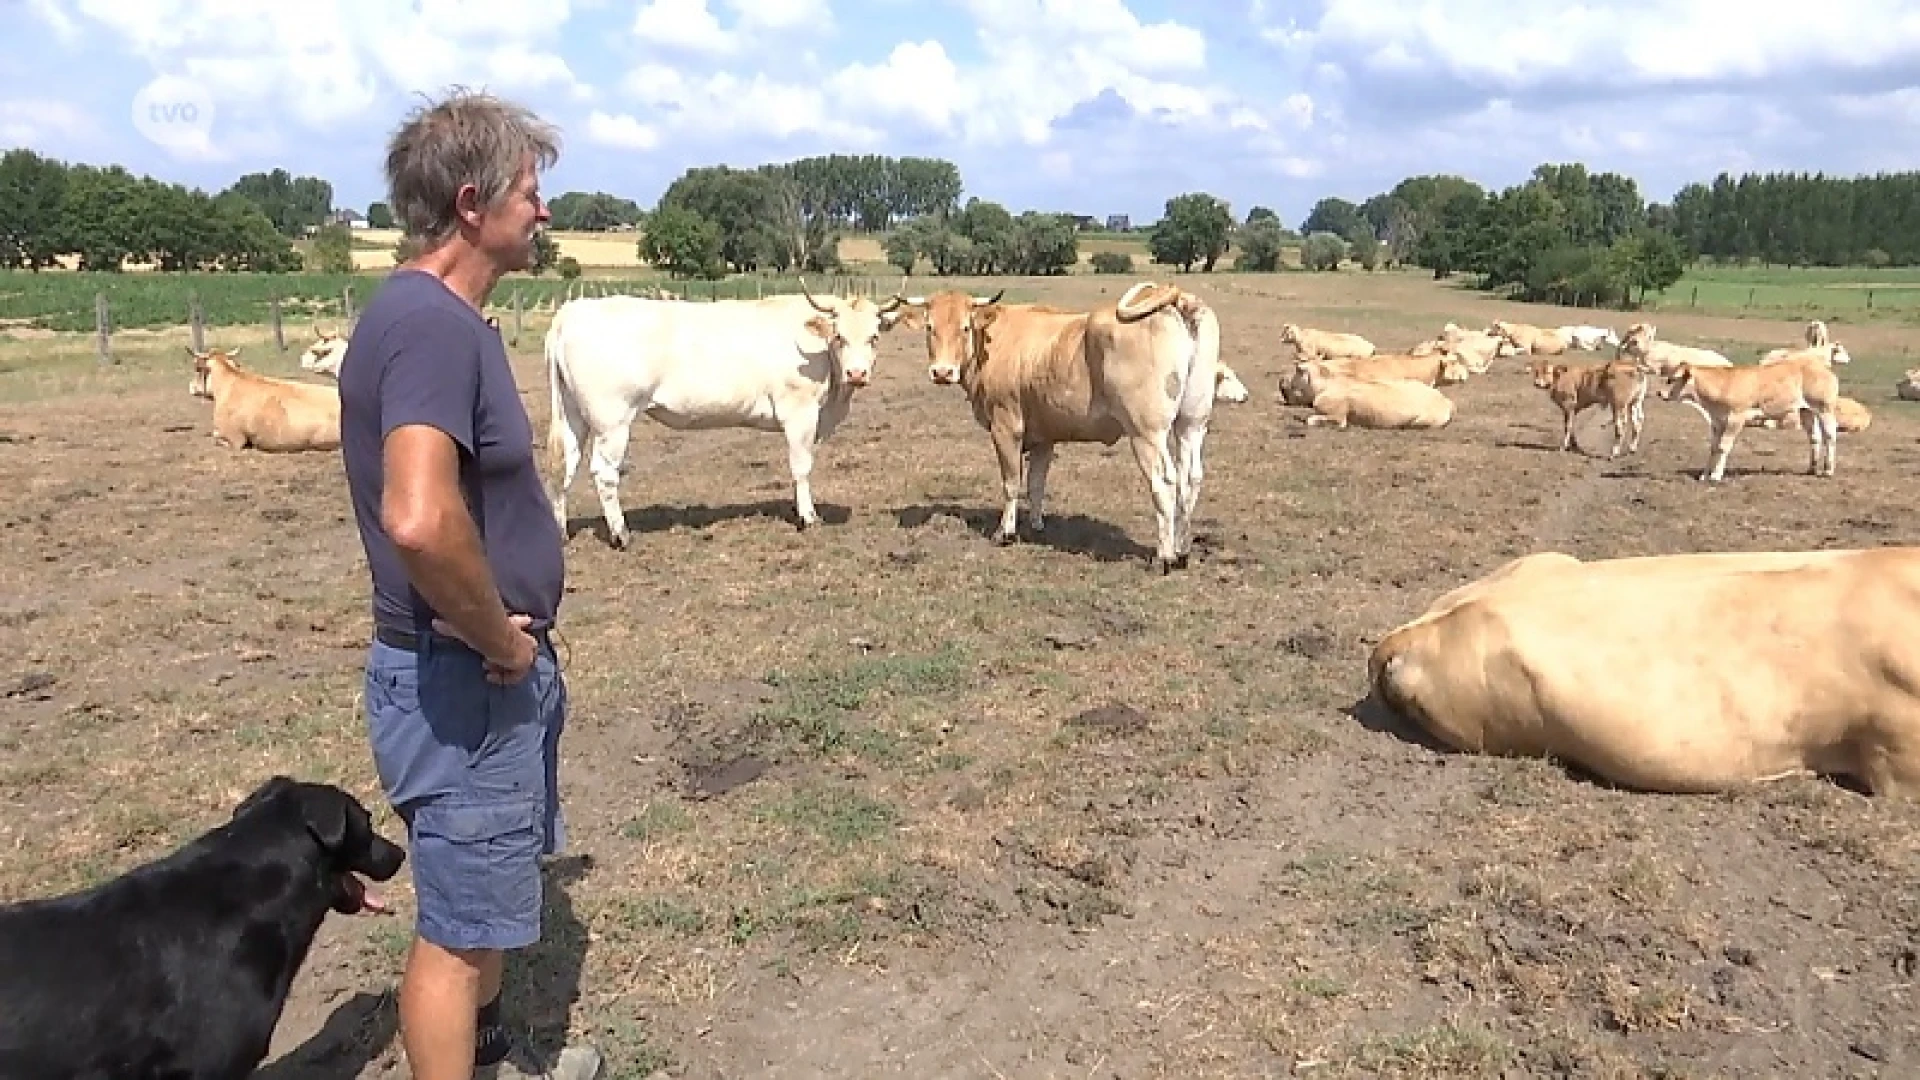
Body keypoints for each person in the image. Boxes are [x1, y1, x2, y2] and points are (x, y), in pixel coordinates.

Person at [337, 87, 601, 1080]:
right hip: (463, 678)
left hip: (476, 673)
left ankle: (491, 1062)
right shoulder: (433, 326)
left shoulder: (432, 317)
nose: (543, 211)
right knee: (454, 931)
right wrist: (499, 640)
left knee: (483, 898)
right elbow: (416, 513)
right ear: (471, 200)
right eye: (531, 191)